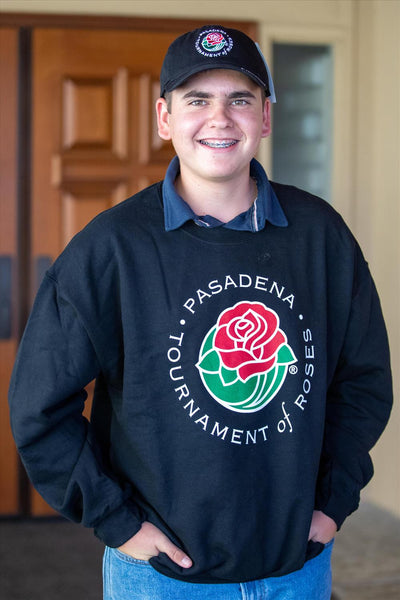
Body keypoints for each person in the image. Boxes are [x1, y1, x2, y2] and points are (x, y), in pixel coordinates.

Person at [9, 25, 392, 600]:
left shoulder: (321, 237)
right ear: (164, 118)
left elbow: (363, 381)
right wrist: (118, 523)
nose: (220, 119)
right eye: (197, 100)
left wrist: (333, 503)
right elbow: (39, 405)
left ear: (266, 117)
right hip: (160, 576)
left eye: (240, 99)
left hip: (297, 567)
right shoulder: (111, 248)